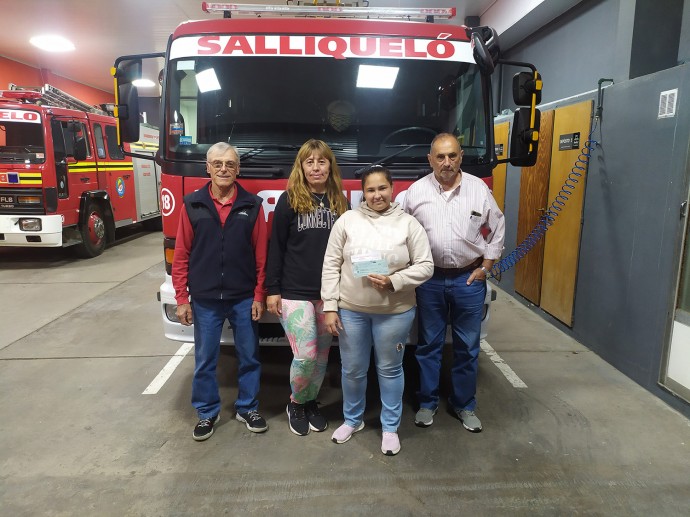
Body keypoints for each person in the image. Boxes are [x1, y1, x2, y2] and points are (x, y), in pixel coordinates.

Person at [321, 166, 433, 456]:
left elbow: (425, 265)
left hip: (395, 312)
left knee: (390, 369)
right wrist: (330, 306)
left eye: (382, 188)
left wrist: (395, 281)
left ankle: (390, 427)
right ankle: (352, 420)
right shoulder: (347, 221)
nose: (377, 194)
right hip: (352, 312)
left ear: (392, 189)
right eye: (370, 190)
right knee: (353, 370)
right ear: (363, 192)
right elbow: (331, 264)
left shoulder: (409, 224)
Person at [404, 133, 505, 433]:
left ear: (461, 156)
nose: (446, 163)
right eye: (440, 157)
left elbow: (496, 228)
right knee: (428, 346)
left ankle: (464, 405)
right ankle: (427, 403)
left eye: (452, 156)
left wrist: (486, 267)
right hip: (429, 280)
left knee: (467, 347)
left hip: (468, 279)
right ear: (430, 159)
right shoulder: (414, 192)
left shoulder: (479, 191)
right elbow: (398, 228)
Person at [172, 141, 269, 441]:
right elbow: (181, 254)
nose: (224, 169)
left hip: (242, 298)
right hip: (205, 299)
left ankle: (247, 407)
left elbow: (261, 256)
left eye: (230, 164)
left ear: (238, 169)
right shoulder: (192, 204)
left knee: (249, 356)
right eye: (218, 164)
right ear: (208, 168)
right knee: (205, 359)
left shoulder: (252, 205)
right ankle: (206, 412)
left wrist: (258, 295)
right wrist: (181, 298)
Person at [265, 139, 349, 436]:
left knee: (324, 356)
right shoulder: (289, 200)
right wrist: (271, 289)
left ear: (330, 166)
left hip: (328, 295)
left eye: (321, 161)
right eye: (309, 161)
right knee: (306, 355)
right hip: (294, 292)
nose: (316, 167)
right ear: (301, 167)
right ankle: (296, 403)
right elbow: (275, 247)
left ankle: (311, 401)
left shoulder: (341, 201)